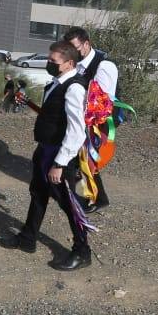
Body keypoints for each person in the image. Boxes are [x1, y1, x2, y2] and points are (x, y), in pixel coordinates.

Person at [0, 40, 93, 271]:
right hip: (45, 150)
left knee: (68, 204)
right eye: (49, 59)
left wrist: (59, 163)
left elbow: (76, 131)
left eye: (53, 61)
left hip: (59, 155)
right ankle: (28, 238)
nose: (48, 63)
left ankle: (82, 251)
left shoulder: (74, 88)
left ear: (69, 63)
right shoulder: (56, 82)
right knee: (38, 193)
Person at [65, 26, 118, 213]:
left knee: (87, 159)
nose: (71, 53)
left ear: (86, 44)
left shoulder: (104, 66)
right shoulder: (75, 63)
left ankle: (92, 197)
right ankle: (92, 196)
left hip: (98, 121)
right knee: (82, 159)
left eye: (75, 48)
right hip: (80, 116)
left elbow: (103, 101)